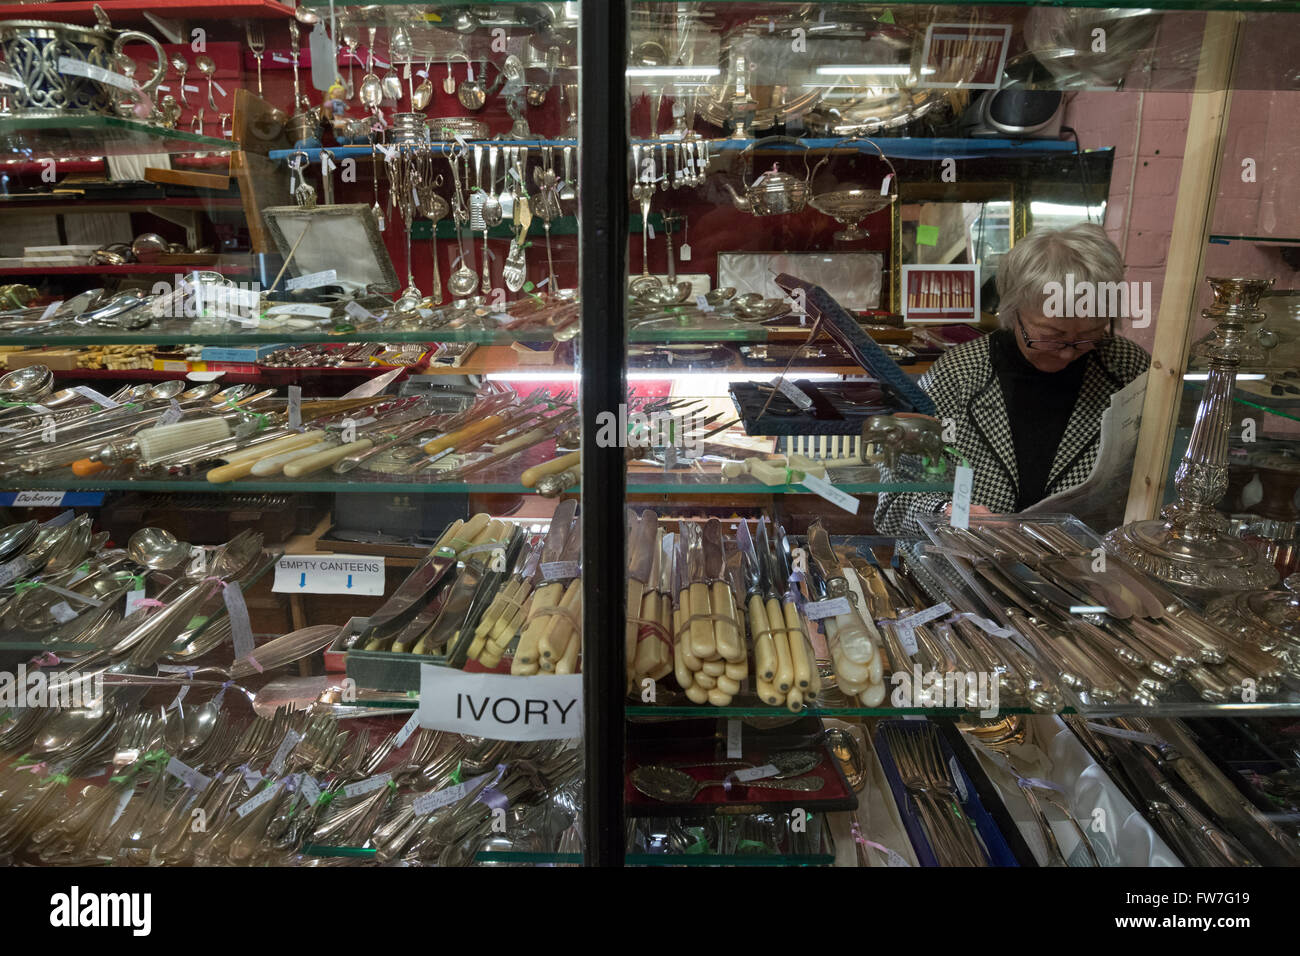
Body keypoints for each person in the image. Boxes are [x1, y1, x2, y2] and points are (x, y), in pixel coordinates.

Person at [875, 222, 1150, 537]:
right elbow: (894, 505)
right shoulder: (956, 375)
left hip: (1080, 575)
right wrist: (946, 513)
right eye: (1051, 336)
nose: (1066, 354)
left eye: (1089, 335)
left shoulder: (1128, 369)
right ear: (1012, 309)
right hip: (966, 573)